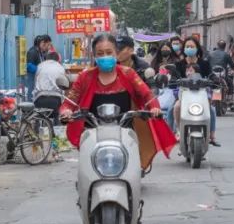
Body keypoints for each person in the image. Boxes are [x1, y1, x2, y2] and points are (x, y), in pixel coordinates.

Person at [59, 34, 175, 170]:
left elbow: (147, 94)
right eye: (100, 53)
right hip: (92, 132)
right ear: (94, 56)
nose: (105, 56)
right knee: (86, 168)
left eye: (109, 52)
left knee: (134, 166)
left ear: (116, 53)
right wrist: (66, 111)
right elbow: (69, 102)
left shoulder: (128, 73)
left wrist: (154, 108)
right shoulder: (84, 77)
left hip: (125, 130)